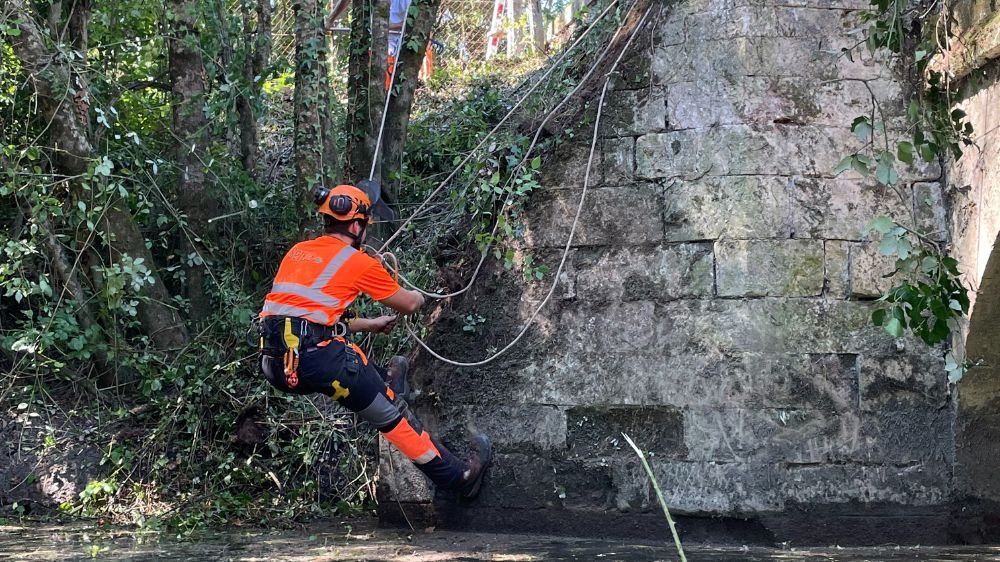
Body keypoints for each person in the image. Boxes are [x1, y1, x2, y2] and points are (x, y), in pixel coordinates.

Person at [257, 183, 491, 499]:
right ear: (356, 225)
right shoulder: (357, 263)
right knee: (392, 417)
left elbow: (307, 318)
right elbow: (408, 304)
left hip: (275, 364)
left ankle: (388, 381)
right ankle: (459, 478)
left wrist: (370, 324)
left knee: (350, 363)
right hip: (320, 362)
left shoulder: (298, 252)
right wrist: (422, 296)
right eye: (365, 224)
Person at [326, 0, 434, 90]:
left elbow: (419, 22)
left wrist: (388, 26)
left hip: (405, 43)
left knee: (404, 86)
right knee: (376, 86)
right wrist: (330, 21)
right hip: (378, 43)